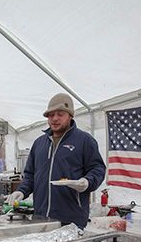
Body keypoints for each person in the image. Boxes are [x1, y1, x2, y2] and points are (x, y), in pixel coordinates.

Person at [7, 93, 106, 229]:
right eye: (51, 115)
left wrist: (88, 182)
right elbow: (30, 174)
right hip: (41, 218)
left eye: (60, 114)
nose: (54, 118)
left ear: (70, 115)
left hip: (71, 221)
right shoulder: (39, 143)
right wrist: (22, 191)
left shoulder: (84, 140)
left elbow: (98, 168)